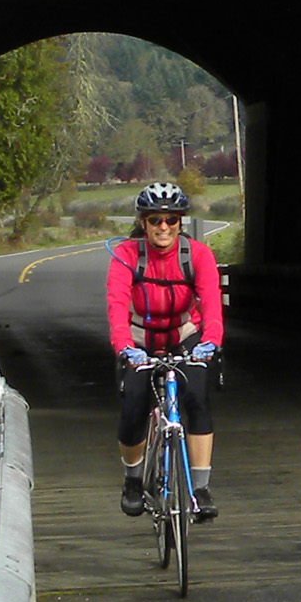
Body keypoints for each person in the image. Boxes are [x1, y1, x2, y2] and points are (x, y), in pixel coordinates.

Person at [107, 180, 225, 521]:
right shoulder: (127, 255)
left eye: (171, 220)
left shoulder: (197, 254)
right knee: (134, 402)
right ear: (143, 222)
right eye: (155, 219)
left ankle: (199, 489)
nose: (163, 227)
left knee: (198, 398)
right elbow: (116, 305)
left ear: (180, 223)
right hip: (140, 340)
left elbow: (212, 303)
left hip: (184, 334)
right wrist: (125, 349)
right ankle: (132, 480)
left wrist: (211, 341)